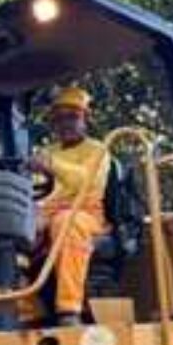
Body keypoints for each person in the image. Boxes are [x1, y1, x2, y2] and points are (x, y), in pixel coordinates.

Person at [22, 85, 110, 327]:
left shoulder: (97, 150)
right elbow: (36, 192)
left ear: (85, 119)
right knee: (15, 231)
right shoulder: (47, 152)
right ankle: (28, 312)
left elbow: (86, 181)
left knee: (66, 223)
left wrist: (52, 167)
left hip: (86, 214)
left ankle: (69, 309)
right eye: (59, 119)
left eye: (72, 117)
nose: (65, 123)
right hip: (48, 214)